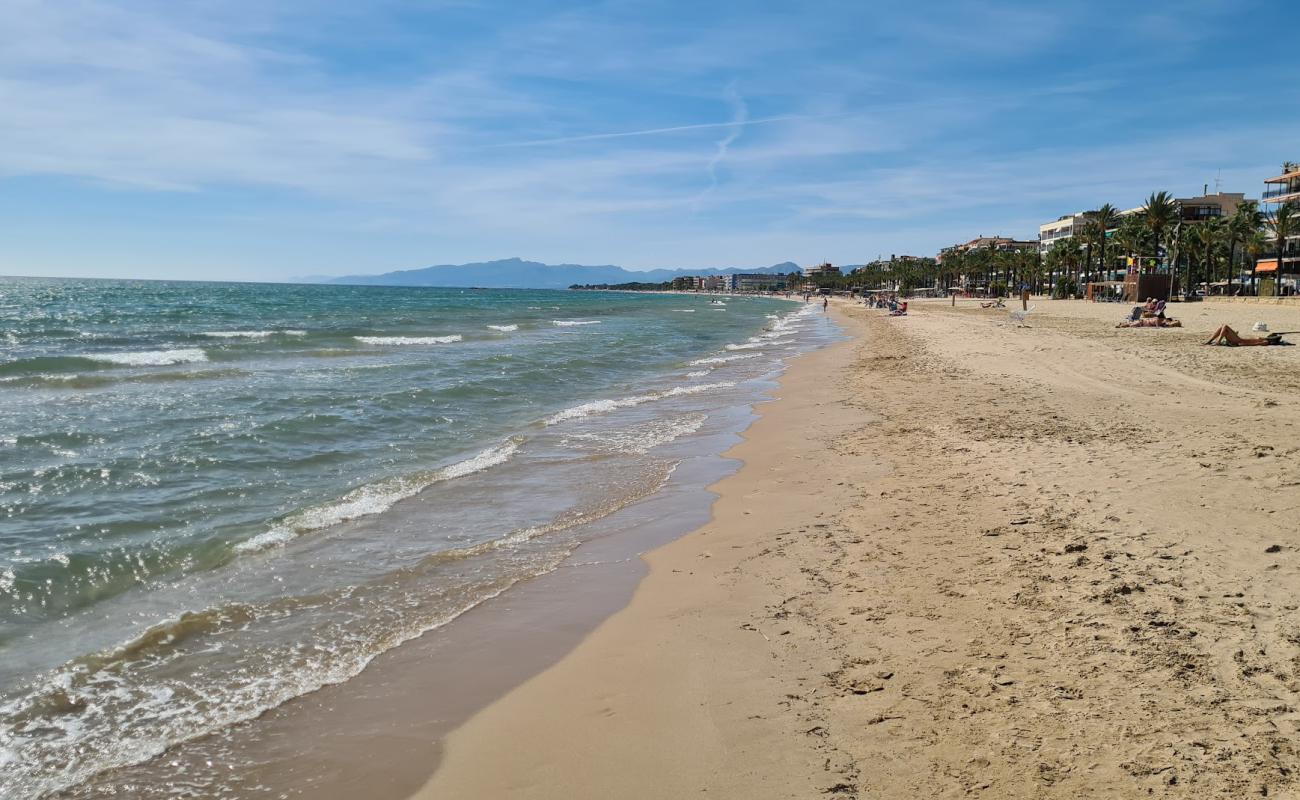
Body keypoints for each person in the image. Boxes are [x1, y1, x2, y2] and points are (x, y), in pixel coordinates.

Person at [1203, 325, 1284, 346]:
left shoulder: (1265, 342)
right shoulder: (1264, 339)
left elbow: (1251, 344)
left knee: (1225, 326)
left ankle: (1217, 342)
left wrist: (1241, 344)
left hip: (1238, 341)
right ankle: (1210, 341)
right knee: (1222, 327)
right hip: (1238, 339)